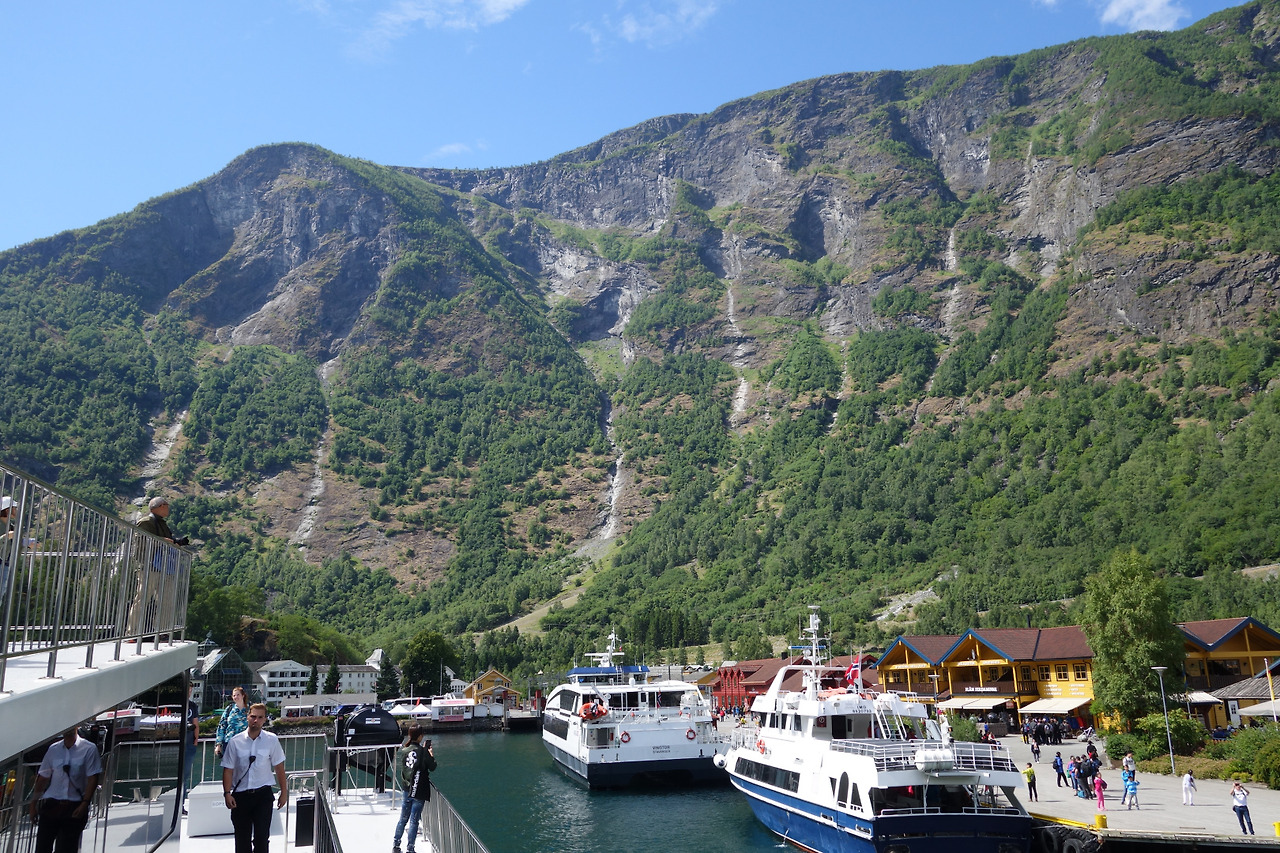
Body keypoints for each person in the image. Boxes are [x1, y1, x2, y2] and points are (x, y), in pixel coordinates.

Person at [222, 704, 288, 853]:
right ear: (247, 717)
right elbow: (228, 770)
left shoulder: (271, 740)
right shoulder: (235, 741)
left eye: (259, 717)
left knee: (262, 839)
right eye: (253, 716)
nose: (255, 720)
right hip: (241, 796)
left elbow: (279, 768)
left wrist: (284, 792)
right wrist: (227, 793)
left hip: (263, 795)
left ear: (264, 719)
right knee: (242, 840)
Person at [29, 724, 102, 853]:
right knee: (41, 848)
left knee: (66, 849)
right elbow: (43, 778)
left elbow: (93, 778)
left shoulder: (89, 749)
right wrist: (33, 805)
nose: (68, 729)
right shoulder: (53, 749)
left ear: (77, 726)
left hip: (74, 806)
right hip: (52, 805)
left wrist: (84, 804)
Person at [393, 725, 438, 853]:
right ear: (420, 736)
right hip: (419, 789)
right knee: (414, 820)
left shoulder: (404, 750)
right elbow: (432, 767)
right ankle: (410, 848)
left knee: (403, 818)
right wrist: (431, 754)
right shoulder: (423, 752)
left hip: (406, 789)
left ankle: (396, 844)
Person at [216, 687, 251, 759]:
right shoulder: (230, 709)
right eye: (234, 695)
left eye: (238, 695)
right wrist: (218, 744)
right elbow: (222, 726)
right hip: (229, 743)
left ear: (243, 695)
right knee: (229, 765)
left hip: (245, 743)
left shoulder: (250, 710)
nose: (236, 697)